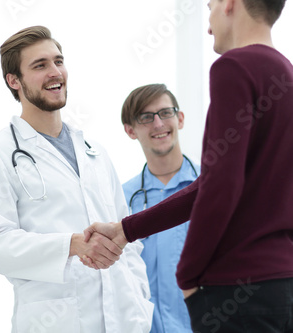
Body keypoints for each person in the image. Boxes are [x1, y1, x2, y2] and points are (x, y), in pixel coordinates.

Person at [84, 0, 293, 332]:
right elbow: (213, 184)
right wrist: (126, 230)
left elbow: (220, 186)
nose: (208, 23)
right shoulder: (285, 73)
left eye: (209, 6)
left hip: (234, 295)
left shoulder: (234, 67)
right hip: (281, 286)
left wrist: (187, 277)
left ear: (229, 4)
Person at [0, 26, 153, 333]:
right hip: (54, 320)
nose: (55, 72)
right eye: (40, 65)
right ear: (14, 81)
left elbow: (126, 235)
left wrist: (140, 302)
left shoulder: (94, 151)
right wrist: (70, 245)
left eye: (58, 61)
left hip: (124, 319)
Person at [121, 83, 199, 333]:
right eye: (146, 117)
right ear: (130, 130)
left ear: (180, 119)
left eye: (165, 113)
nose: (158, 124)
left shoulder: (214, 188)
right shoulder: (121, 199)